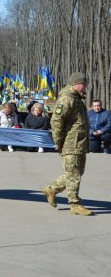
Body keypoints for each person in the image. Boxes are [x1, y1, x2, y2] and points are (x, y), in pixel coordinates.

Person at [42, 72, 93, 216]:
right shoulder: (67, 99)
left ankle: (52, 189)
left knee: (76, 172)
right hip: (71, 143)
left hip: (79, 143)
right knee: (74, 173)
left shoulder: (76, 98)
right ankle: (74, 204)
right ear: (76, 84)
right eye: (84, 84)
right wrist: (58, 141)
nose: (86, 86)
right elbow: (56, 121)